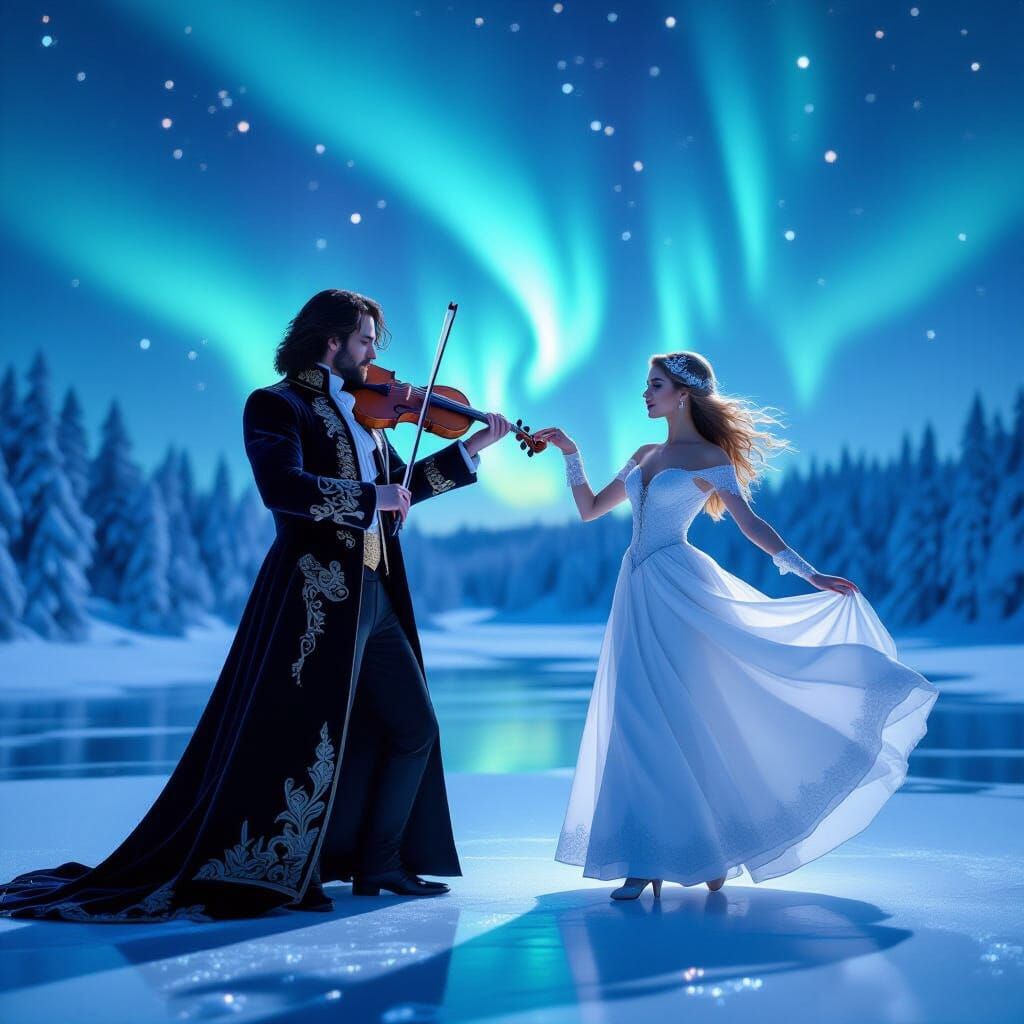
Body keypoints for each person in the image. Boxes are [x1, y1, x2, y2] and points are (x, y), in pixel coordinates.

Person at [0, 289, 512, 921]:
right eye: (367, 340)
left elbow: (398, 495)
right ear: (332, 341)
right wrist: (367, 497)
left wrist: (468, 451)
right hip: (314, 593)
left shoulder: (369, 416)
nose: (377, 354)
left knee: (413, 727)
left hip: (376, 592)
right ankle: (279, 871)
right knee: (303, 733)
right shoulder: (276, 404)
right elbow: (283, 489)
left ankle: (381, 861)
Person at [534, 351, 938, 901]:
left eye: (655, 385)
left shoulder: (709, 456)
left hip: (681, 588)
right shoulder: (643, 453)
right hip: (636, 590)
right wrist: (571, 455)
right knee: (633, 716)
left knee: (682, 717)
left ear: (683, 394)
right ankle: (648, 856)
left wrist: (807, 571)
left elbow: (750, 523)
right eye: (646, 385)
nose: (645, 394)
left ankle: (708, 848)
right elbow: (589, 510)